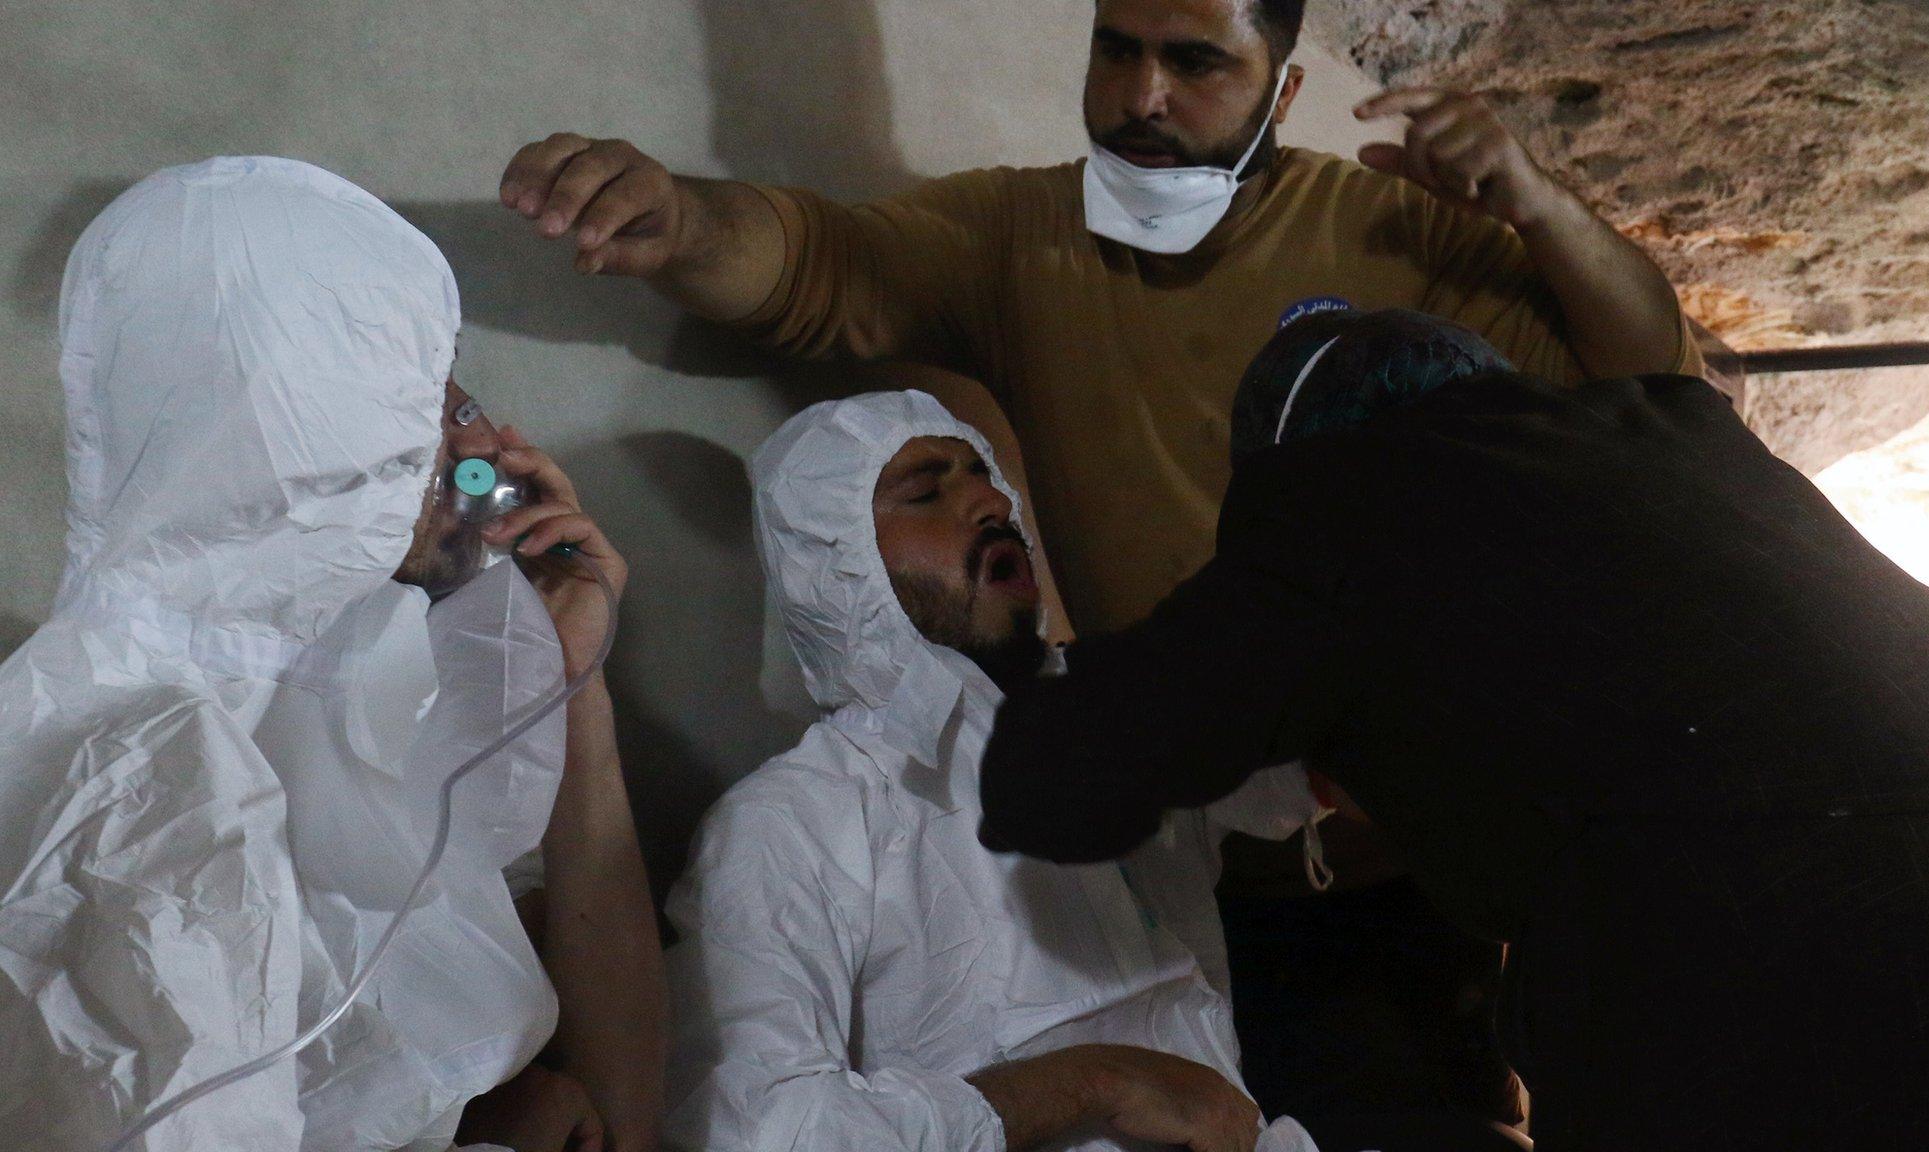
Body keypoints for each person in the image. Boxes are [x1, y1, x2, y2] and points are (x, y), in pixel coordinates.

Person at [502, 2, 1702, 1124]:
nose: (1140, 95)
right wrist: (677, 220)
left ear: (1281, 89)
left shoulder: (1389, 227)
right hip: (1189, 855)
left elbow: (1647, 388)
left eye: (1194, 63)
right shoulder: (1019, 239)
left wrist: (1537, 206)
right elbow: (823, 266)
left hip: (1394, 866)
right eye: (1114, 48)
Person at [976, 308, 1929, 1150]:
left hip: (1792, 979)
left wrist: (1033, 663)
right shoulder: (1677, 436)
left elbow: (1058, 780)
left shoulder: (1338, 496)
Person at [0, 157, 663, 1152]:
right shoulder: (145, 774)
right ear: (305, 442)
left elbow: (623, 1113)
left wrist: (565, 670)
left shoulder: (339, 711)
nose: (480, 440)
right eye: (425, 411)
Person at [665, 389, 1339, 1152]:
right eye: (925, 491)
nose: (990, 501)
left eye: (986, 478)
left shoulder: (1109, 727)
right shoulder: (789, 826)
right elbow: (753, 1130)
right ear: (836, 564)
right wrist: (1094, 1080)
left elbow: (1325, 758)